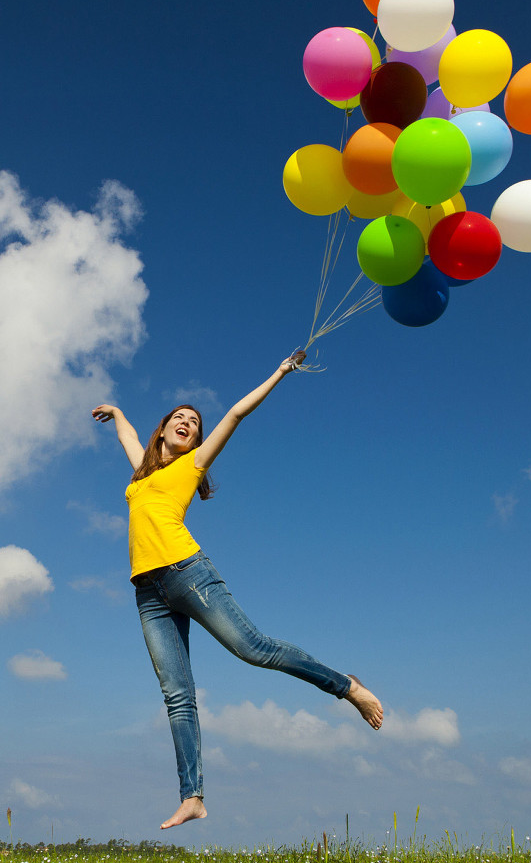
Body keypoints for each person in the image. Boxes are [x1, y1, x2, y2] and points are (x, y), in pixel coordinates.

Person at [92, 352, 383, 829]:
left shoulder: (191, 466)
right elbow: (127, 438)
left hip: (188, 574)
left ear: (195, 441)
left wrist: (279, 372)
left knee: (254, 649)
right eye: (179, 419)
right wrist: (120, 414)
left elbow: (235, 413)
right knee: (177, 695)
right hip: (147, 593)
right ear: (162, 430)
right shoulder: (141, 476)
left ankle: (347, 686)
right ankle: (193, 796)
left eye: (194, 422)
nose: (187, 423)